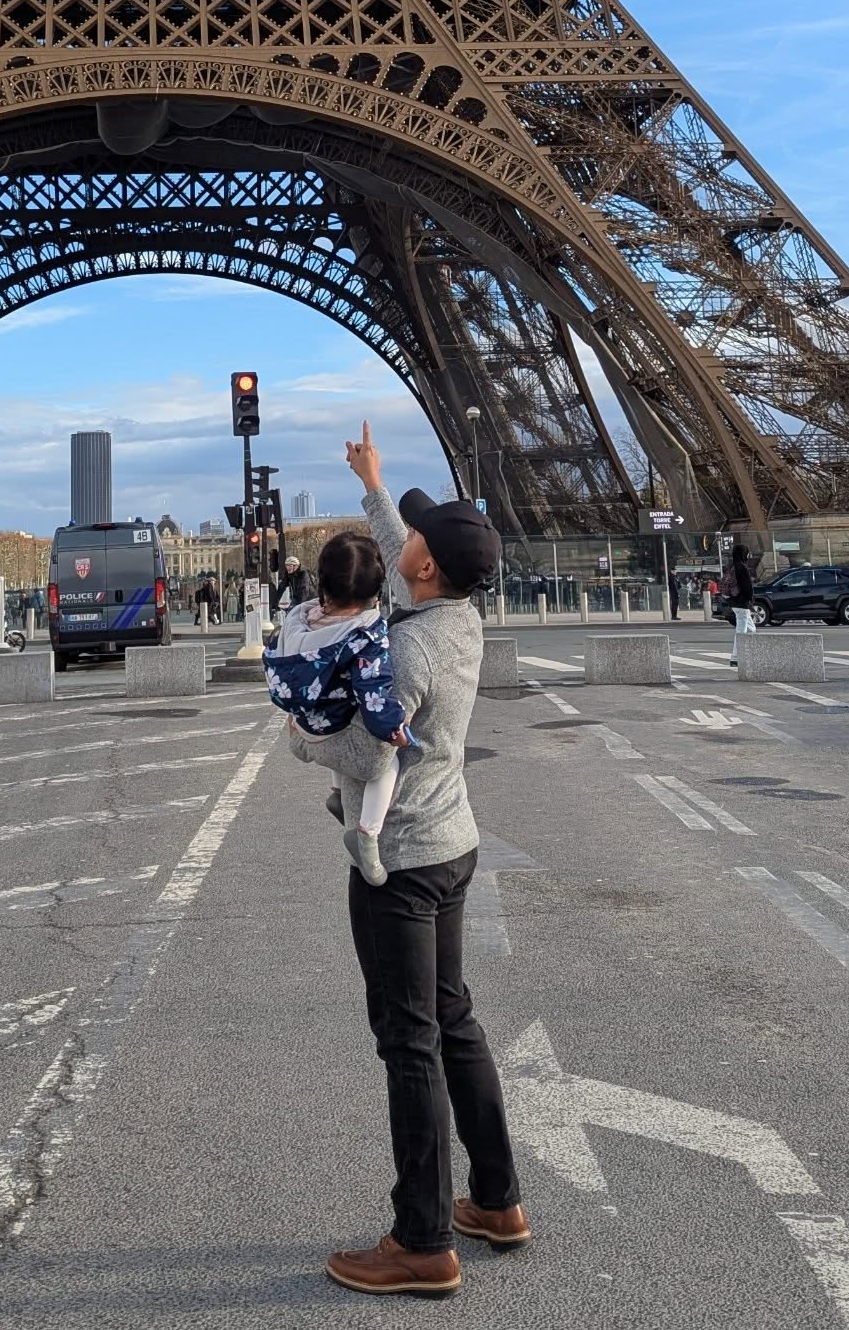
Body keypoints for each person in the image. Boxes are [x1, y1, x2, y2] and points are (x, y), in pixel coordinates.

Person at [287, 420, 526, 1297]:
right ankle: (496, 1200)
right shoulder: (451, 607)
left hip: (405, 864)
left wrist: (299, 742)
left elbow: (366, 752)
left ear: (424, 569)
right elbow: (404, 550)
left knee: (410, 1042)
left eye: (414, 537)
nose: (403, 542)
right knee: (454, 1020)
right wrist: (375, 484)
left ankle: (422, 1240)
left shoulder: (414, 648)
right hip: (454, 843)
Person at [264, 530, 410, 886]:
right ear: (377, 590)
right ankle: (367, 835)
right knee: (385, 762)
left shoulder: (301, 619)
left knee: (330, 702)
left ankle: (336, 794)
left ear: (322, 584)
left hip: (303, 724)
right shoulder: (363, 635)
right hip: (335, 725)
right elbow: (372, 694)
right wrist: (394, 727)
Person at [726, 541, 755, 665]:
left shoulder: (732, 566)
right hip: (742, 603)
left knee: (751, 630)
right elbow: (747, 586)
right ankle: (736, 658)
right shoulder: (742, 567)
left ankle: (745, 654)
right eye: (747, 553)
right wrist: (750, 598)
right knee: (741, 632)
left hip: (734, 602)